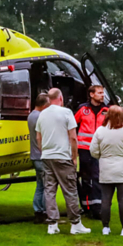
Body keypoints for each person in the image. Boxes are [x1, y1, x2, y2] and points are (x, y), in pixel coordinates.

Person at [35, 88, 91, 235]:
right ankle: (75, 223)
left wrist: (43, 151)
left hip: (47, 156)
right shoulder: (66, 112)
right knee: (70, 190)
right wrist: (74, 156)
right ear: (60, 98)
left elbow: (38, 138)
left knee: (49, 190)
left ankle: (52, 224)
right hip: (62, 156)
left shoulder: (42, 114)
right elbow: (73, 136)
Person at [89, 105, 123, 237]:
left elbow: (93, 150)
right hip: (122, 169)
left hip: (106, 169)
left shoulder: (100, 131)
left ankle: (105, 227)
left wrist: (102, 156)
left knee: (105, 200)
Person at [74, 85, 108, 220]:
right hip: (84, 150)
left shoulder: (107, 110)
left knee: (98, 178)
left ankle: (98, 208)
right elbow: (72, 126)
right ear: (92, 94)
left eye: (103, 93)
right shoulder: (83, 109)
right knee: (86, 179)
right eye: (99, 93)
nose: (102, 95)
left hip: (100, 150)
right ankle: (86, 206)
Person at [27, 93, 50, 223]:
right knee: (47, 186)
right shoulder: (41, 117)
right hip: (42, 156)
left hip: (35, 155)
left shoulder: (31, 115)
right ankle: (46, 211)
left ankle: (38, 210)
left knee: (40, 186)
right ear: (45, 105)